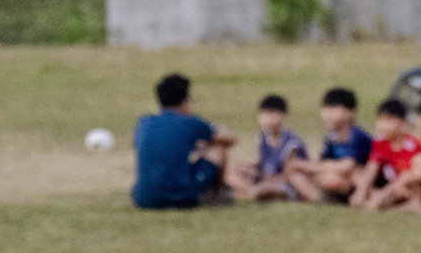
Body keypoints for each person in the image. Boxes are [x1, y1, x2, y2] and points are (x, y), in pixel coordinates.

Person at [131, 72, 235, 209]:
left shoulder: (145, 123)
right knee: (217, 150)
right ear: (185, 100)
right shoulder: (190, 123)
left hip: (143, 199)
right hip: (179, 197)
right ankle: (217, 196)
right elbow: (230, 139)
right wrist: (209, 139)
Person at [294, 87, 370, 204]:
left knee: (331, 179)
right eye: (326, 109)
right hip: (336, 174)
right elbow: (323, 159)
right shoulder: (331, 136)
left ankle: (328, 197)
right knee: (298, 175)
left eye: (333, 109)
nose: (328, 114)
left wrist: (312, 167)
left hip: (356, 179)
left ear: (350, 113)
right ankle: (319, 198)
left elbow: (348, 166)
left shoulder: (356, 135)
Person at [225, 94, 309, 200]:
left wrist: (264, 180)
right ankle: (249, 192)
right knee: (231, 173)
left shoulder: (291, 143)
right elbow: (265, 164)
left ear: (283, 116)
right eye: (264, 114)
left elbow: (288, 176)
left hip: (285, 184)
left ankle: (245, 193)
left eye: (272, 114)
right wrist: (250, 168)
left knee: (266, 188)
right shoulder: (264, 136)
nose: (268, 119)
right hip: (267, 178)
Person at [362, 98, 421, 198]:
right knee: (370, 167)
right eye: (381, 120)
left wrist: (384, 194)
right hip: (387, 183)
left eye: (388, 120)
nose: (383, 125)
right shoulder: (379, 141)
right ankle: (362, 194)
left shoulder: (412, 146)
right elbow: (372, 166)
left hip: (404, 186)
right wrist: (361, 191)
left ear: (403, 123)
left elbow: (410, 176)